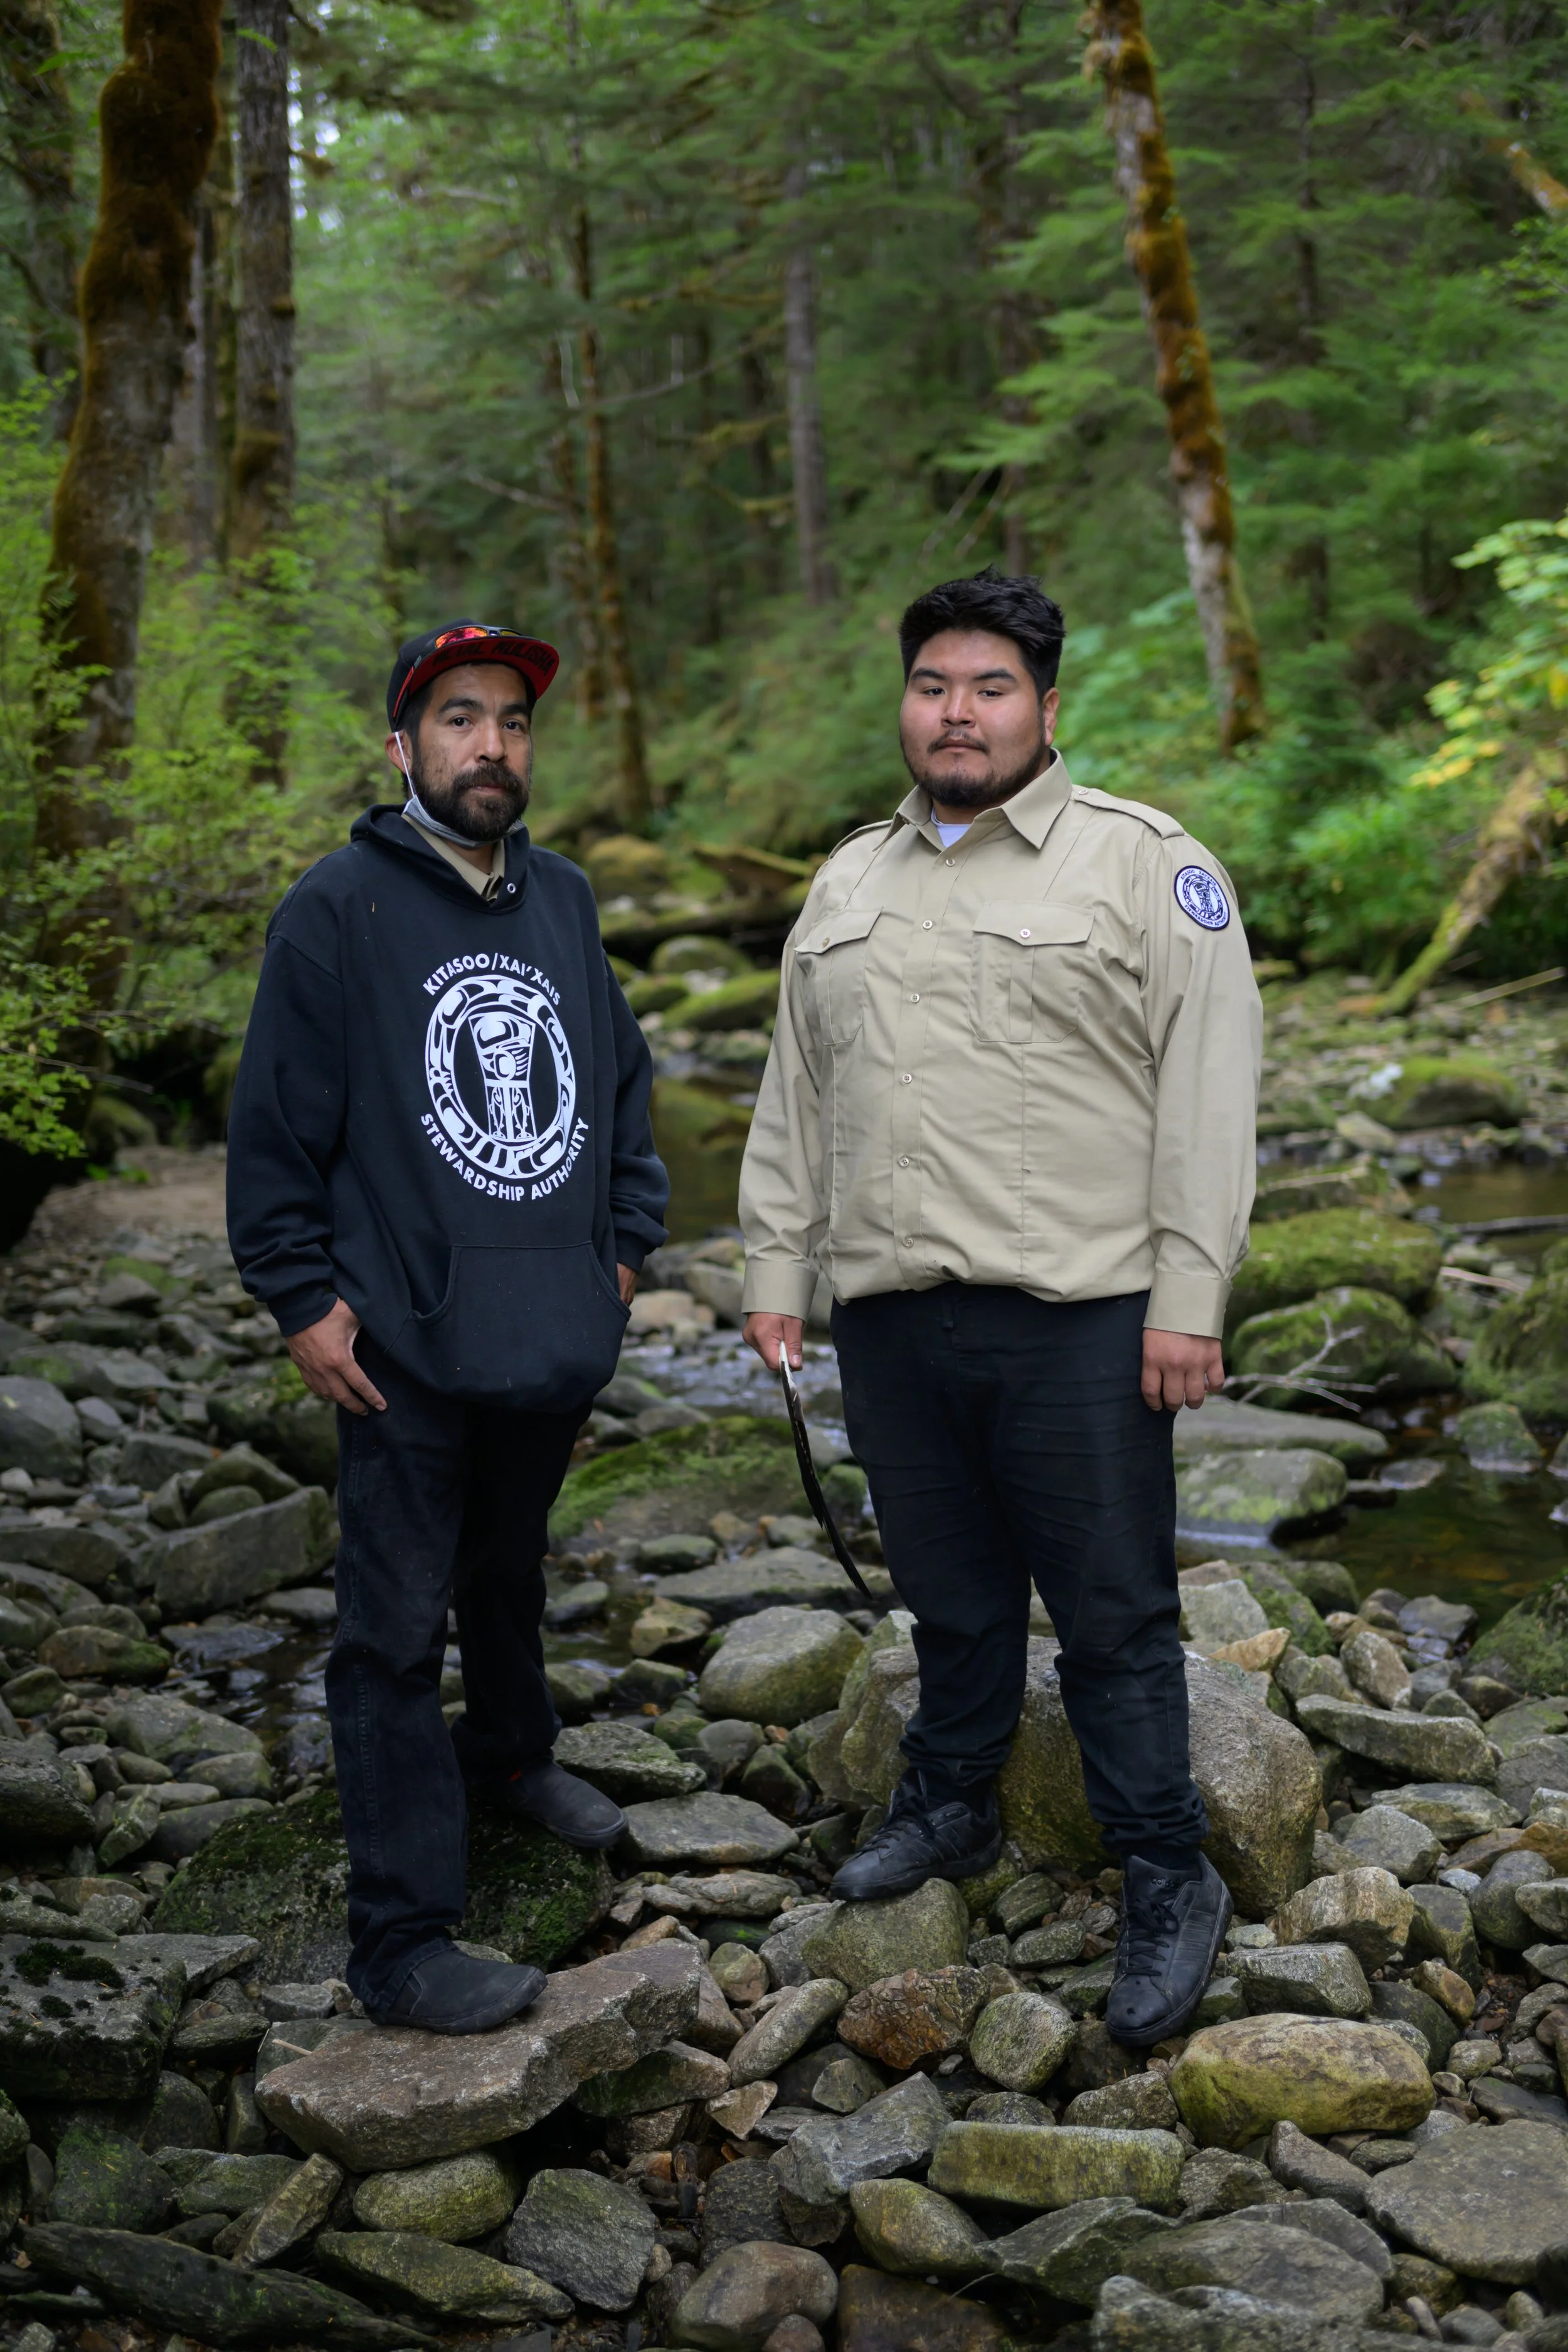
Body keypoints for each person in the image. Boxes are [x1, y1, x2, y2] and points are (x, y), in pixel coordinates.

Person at [738, 570, 1261, 2048]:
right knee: (949, 1592)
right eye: (931, 686)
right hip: (891, 1313)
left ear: (1045, 704)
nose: (954, 713)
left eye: (987, 688)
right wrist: (775, 1273)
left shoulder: (1141, 866)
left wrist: (1188, 1296)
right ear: (903, 704)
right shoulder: (846, 882)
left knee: (1109, 1612)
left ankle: (1164, 1868)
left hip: (1081, 1315)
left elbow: (1207, 1092)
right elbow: (795, 1093)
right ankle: (951, 1799)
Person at [226, 620, 669, 2035]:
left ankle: (513, 1756)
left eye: (513, 721)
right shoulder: (336, 906)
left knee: (510, 1565)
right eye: (461, 717)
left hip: (547, 1320)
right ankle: (402, 1941)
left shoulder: (564, 899)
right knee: (393, 1632)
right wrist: (300, 1297)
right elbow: (274, 1125)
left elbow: (622, 1083)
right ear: (402, 745)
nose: (492, 744)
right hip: (400, 1341)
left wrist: (624, 1245)